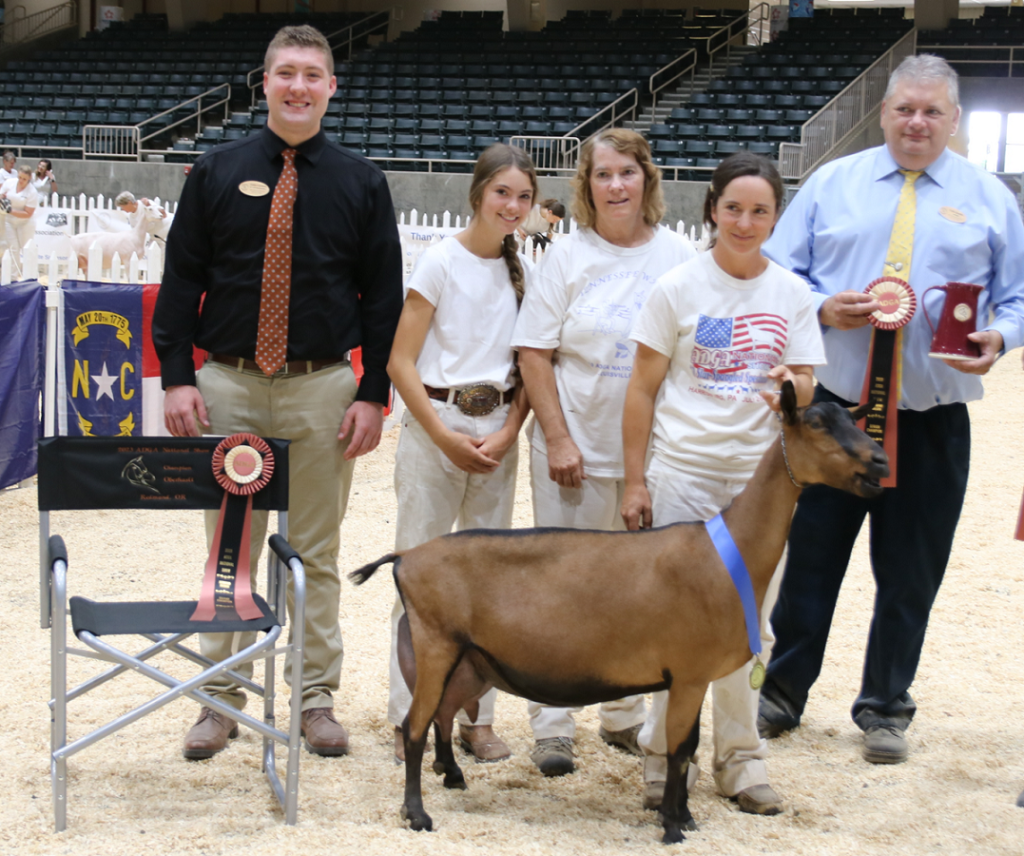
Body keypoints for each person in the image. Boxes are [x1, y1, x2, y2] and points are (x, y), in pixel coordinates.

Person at [757, 54, 1024, 766]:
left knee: (911, 572)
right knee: (810, 561)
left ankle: (884, 706)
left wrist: (1001, 336)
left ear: (955, 119)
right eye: (905, 108)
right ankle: (781, 693)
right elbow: (779, 275)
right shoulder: (831, 184)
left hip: (933, 419)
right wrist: (819, 307)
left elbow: (1019, 297)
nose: (916, 122)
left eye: (932, 112)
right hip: (834, 417)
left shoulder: (992, 198)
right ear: (883, 111)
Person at [152, 24, 403, 760]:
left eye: (312, 74)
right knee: (227, 546)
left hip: (321, 389)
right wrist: (175, 377)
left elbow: (383, 299)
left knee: (316, 552)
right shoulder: (214, 172)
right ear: (264, 83)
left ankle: (315, 695)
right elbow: (181, 283)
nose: (298, 86)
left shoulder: (362, 182)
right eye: (285, 72)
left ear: (332, 87)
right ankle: (222, 695)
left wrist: (373, 391)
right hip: (226, 383)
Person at [620, 153, 826, 815]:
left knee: (746, 625)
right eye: (733, 207)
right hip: (682, 477)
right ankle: (662, 758)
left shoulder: (791, 294)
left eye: (760, 210)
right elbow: (643, 390)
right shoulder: (677, 287)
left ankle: (740, 761)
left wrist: (791, 392)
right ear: (712, 209)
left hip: (757, 489)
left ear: (774, 217)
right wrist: (634, 482)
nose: (745, 221)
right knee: (672, 627)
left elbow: (806, 381)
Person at [511, 128, 696, 777]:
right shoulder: (566, 255)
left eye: (627, 172)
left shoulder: (680, 256)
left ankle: (620, 713)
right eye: (603, 174)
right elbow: (533, 351)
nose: (616, 185)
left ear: (648, 178)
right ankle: (553, 722)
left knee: (636, 593)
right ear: (586, 186)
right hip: (573, 448)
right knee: (561, 586)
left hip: (649, 459)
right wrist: (557, 436)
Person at [386, 143, 536, 764]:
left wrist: (508, 431)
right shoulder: (439, 263)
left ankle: (479, 716)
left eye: (524, 196)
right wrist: (444, 435)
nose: (513, 205)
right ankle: (408, 715)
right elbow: (400, 361)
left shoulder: (524, 267)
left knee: (489, 584)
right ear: (478, 194)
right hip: (437, 424)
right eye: (503, 192)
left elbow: (532, 365)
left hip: (497, 425)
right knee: (419, 576)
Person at [0, 164, 39, 257]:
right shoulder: (9, 183)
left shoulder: (32, 192)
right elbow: (1, 195)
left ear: (29, 178)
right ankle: (14, 272)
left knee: (26, 248)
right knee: (13, 248)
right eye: (20, 177)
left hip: (25, 222)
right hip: (9, 221)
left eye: (24, 179)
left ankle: (29, 271)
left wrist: (10, 211)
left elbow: (28, 213)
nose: (21, 180)